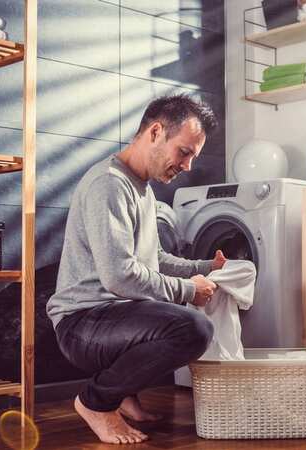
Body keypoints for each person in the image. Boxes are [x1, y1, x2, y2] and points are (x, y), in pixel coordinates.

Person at [47, 94, 225, 445]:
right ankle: (96, 402)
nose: (187, 166)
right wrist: (189, 290)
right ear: (156, 132)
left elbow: (153, 259)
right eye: (184, 152)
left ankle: (124, 395)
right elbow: (120, 276)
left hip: (111, 317)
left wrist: (208, 267)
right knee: (193, 329)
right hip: (82, 323)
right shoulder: (109, 184)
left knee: (173, 311)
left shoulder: (142, 190)